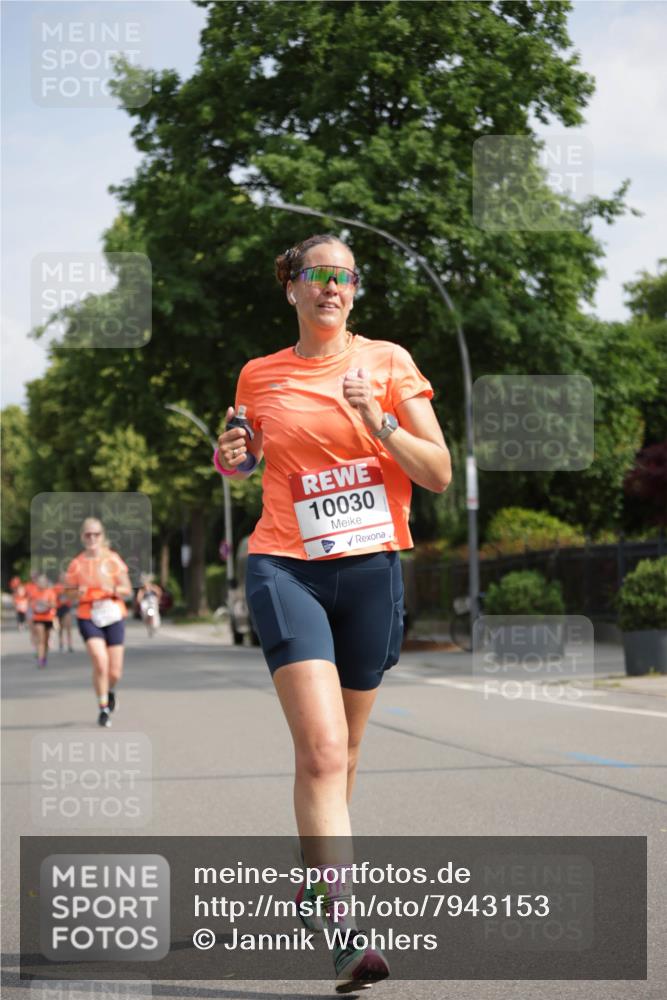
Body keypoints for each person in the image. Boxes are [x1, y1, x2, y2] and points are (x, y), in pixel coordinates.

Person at [215, 233, 451, 992]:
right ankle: (344, 929)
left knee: (344, 755)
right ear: (290, 288)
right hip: (286, 565)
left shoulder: (387, 363)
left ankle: (317, 881)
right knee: (318, 751)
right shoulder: (259, 374)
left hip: (370, 570)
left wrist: (376, 420)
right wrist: (231, 454)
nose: (331, 288)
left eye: (345, 277)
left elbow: (439, 473)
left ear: (354, 291)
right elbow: (244, 459)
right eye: (317, 275)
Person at [64, 517, 132, 728]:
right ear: (82, 537)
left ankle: (110, 691)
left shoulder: (112, 560)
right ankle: (103, 707)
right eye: (88, 534)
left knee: (115, 672)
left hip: (112, 614)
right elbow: (67, 593)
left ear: (103, 537)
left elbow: (127, 589)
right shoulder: (76, 564)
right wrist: (77, 593)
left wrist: (111, 589)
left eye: (96, 534)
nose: (92, 538)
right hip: (88, 615)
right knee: (99, 660)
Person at [30, 574, 58, 667]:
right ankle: (40, 659)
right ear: (37, 583)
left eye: (43, 581)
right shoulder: (34, 592)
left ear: (46, 583)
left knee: (46, 640)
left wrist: (47, 605)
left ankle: (44, 656)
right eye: (40, 582)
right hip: (38, 618)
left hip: (48, 618)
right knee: (41, 639)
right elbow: (31, 604)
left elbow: (54, 605)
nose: (41, 583)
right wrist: (35, 606)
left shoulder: (50, 592)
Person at [54, 572, 74, 652]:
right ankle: (61, 643)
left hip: (66, 607)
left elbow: (73, 597)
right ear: (59, 578)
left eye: (65, 577)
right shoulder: (56, 587)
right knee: (61, 627)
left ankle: (70, 645)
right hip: (58, 608)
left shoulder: (69, 586)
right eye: (62, 577)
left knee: (68, 626)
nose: (63, 578)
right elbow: (53, 597)